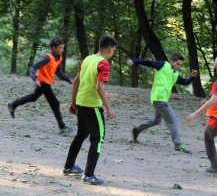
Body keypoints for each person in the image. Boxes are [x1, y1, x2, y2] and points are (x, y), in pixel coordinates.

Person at [62, 35, 117, 185]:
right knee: (97, 139)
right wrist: (108, 107)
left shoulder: (87, 59)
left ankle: (69, 166)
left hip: (81, 103)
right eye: (114, 51)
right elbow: (99, 87)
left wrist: (73, 103)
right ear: (110, 49)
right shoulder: (103, 64)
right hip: (93, 105)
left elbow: (75, 83)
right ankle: (89, 175)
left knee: (80, 135)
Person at [126, 53, 198, 154]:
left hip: (161, 99)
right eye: (177, 64)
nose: (178, 66)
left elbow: (185, 82)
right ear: (171, 61)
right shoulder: (163, 65)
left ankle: (136, 130)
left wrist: (192, 77)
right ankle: (178, 146)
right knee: (173, 121)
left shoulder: (175, 74)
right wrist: (134, 61)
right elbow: (148, 62)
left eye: (180, 65)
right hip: (159, 98)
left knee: (156, 120)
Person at [7, 37, 74, 135]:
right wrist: (35, 79)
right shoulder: (47, 57)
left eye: (63, 48)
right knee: (55, 103)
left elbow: (59, 73)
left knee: (34, 97)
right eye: (60, 48)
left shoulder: (59, 58)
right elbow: (33, 67)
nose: (62, 50)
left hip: (46, 82)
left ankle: (13, 105)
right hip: (42, 82)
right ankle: (62, 127)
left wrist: (68, 79)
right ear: (53, 47)